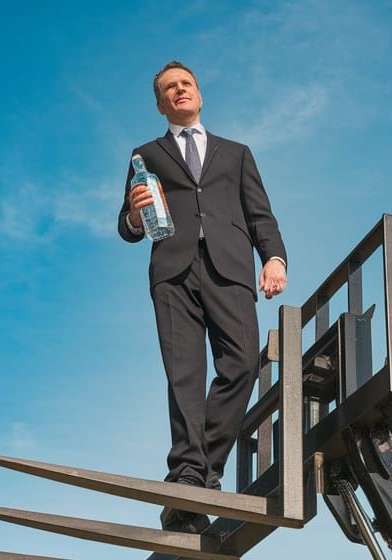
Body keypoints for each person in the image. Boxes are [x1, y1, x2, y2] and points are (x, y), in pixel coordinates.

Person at [118, 61, 287, 533]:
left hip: (230, 268)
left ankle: (197, 473)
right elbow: (128, 227)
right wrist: (133, 215)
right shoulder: (144, 155)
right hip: (172, 272)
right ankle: (190, 479)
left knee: (243, 365)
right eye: (169, 89)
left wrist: (274, 258)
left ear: (199, 93)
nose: (179, 91)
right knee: (184, 377)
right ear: (160, 105)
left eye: (185, 84)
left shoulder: (236, 153)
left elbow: (260, 214)